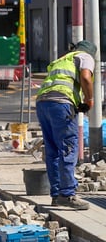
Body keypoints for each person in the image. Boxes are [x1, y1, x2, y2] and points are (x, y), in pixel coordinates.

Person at [36, 40, 97, 210]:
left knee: (52, 150)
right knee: (68, 147)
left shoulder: (63, 59)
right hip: (61, 103)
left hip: (43, 102)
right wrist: (89, 100)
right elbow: (85, 77)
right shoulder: (85, 57)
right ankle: (68, 194)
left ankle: (56, 195)